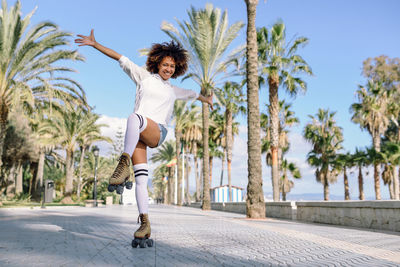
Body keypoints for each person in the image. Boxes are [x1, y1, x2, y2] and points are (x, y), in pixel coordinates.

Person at [75, 30, 213, 246]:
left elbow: (195, 95)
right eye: (165, 64)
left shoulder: (174, 90)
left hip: (157, 131)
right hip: (137, 134)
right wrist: (95, 44)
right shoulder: (143, 76)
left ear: (176, 69)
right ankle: (144, 223)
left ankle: (122, 165)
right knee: (141, 180)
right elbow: (120, 57)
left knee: (135, 117)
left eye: (172, 67)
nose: (168, 69)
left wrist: (208, 99)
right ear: (157, 63)